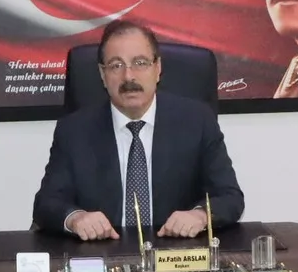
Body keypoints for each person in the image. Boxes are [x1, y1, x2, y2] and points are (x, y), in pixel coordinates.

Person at [31, 20, 244, 241]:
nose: (128, 77)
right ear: (102, 74)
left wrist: (200, 216)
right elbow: (47, 203)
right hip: (104, 252)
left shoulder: (197, 121)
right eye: (116, 65)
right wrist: (76, 218)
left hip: (174, 253)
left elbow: (230, 197)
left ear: (157, 68)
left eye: (140, 63)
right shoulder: (74, 131)